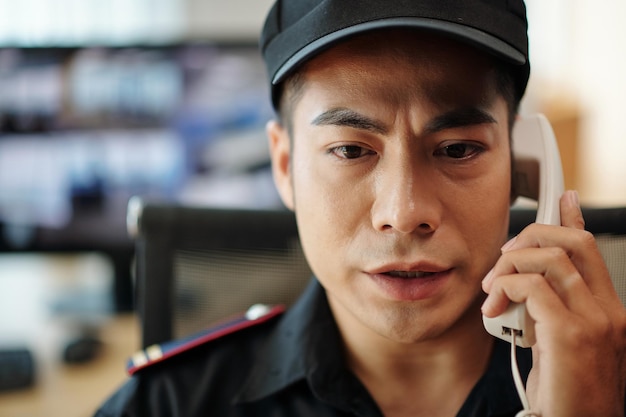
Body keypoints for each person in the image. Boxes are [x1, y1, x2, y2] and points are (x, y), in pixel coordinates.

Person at [94, 1, 626, 416]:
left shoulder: (604, 387)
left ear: (522, 165)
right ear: (284, 167)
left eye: (459, 149)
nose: (404, 211)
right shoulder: (166, 404)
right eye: (351, 150)